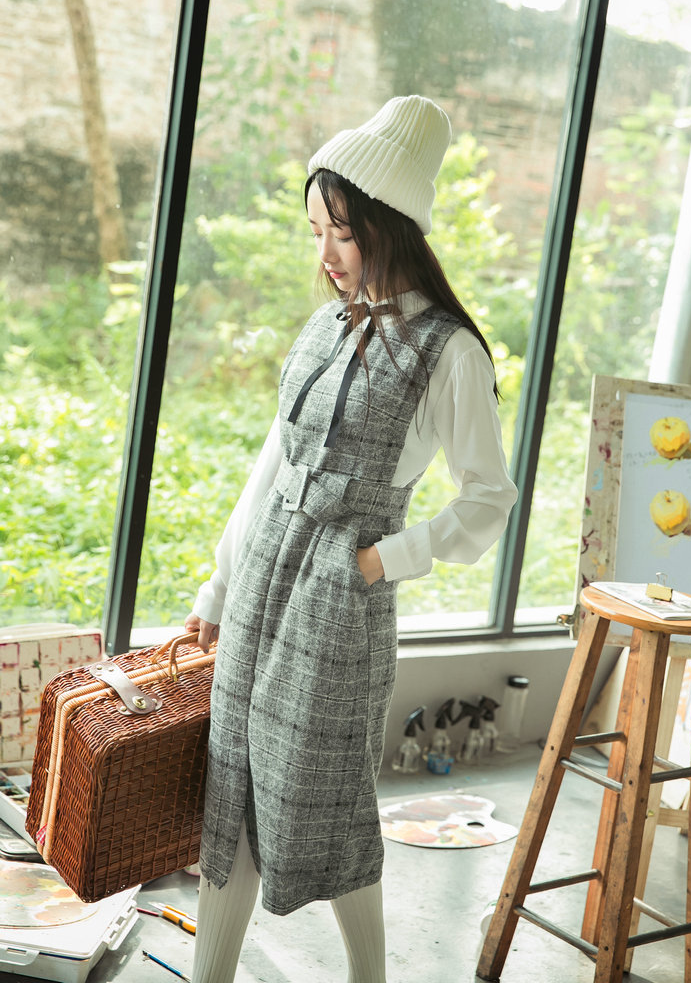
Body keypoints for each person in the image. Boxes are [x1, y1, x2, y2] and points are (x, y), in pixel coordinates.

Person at [185, 95, 518, 983]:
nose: (326, 254)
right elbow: (272, 465)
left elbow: (490, 499)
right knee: (233, 783)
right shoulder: (325, 326)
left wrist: (384, 560)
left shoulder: (449, 351)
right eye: (316, 232)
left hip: (341, 594)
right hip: (264, 575)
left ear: (388, 224)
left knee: (320, 800)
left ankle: (370, 975)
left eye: (342, 231)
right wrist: (219, 587)